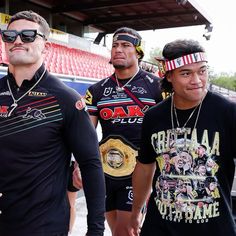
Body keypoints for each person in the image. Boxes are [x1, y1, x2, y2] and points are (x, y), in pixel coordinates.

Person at [0, 10, 105, 236]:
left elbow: (91, 165)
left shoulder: (65, 99)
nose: (17, 40)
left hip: (43, 226)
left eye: (28, 35)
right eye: (9, 36)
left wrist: (95, 231)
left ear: (45, 47)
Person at [129, 39, 236, 236]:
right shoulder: (154, 117)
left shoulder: (228, 112)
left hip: (213, 227)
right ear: (169, 75)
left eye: (202, 71)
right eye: (186, 73)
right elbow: (144, 167)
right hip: (160, 226)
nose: (197, 80)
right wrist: (136, 211)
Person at [84, 27, 163, 236]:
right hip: (105, 171)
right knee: (115, 230)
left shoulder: (156, 86)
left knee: (125, 230)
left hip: (140, 171)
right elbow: (87, 133)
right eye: (115, 45)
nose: (118, 49)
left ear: (138, 51)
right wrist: (79, 164)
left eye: (126, 45)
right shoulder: (96, 90)